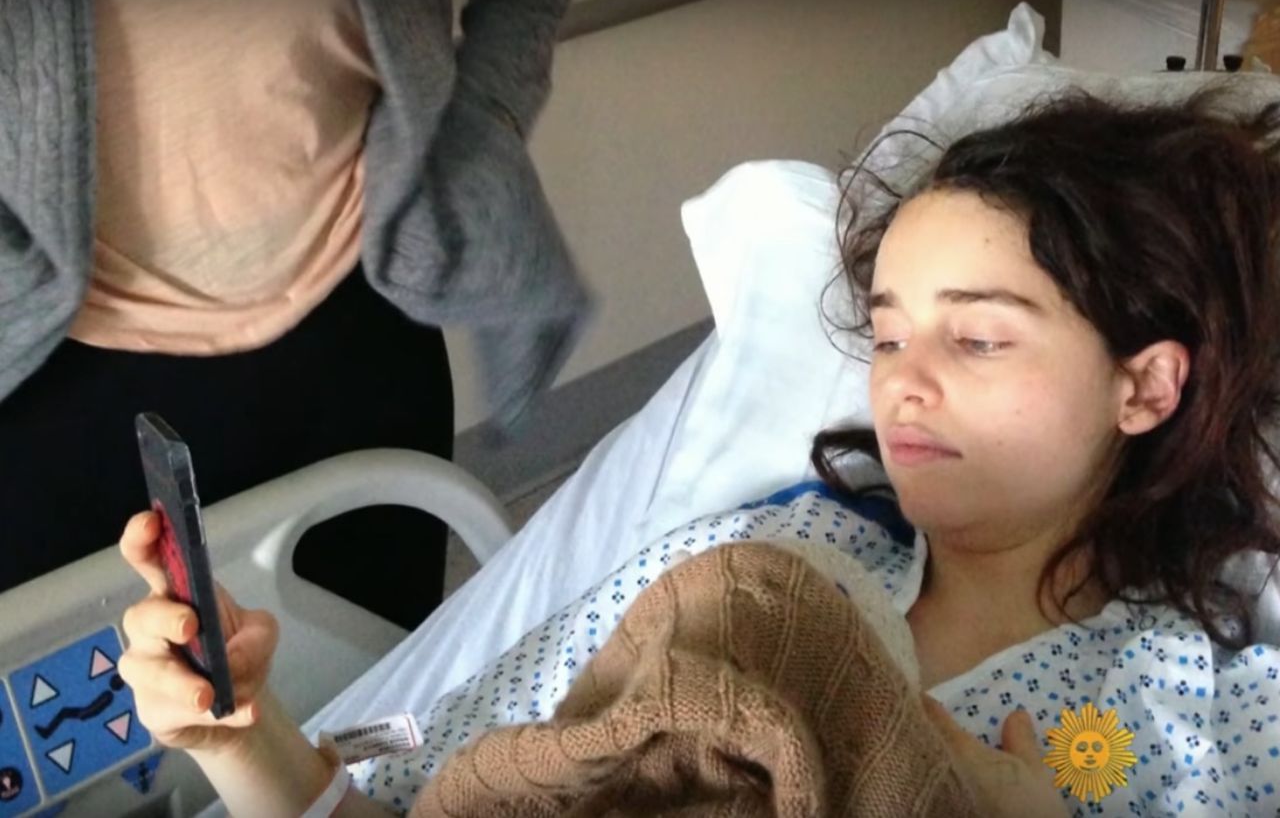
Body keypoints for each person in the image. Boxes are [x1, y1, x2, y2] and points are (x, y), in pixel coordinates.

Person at [115, 88, 1280, 816]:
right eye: (884, 335)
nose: (902, 381)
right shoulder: (759, 563)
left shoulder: (1196, 707)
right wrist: (240, 737)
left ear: (1142, 386)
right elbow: (451, 794)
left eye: (974, 337)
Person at [0, 0, 587, 631]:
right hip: (47, 388)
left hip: (351, 334)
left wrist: (487, 113)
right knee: (97, 687)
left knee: (382, 675)